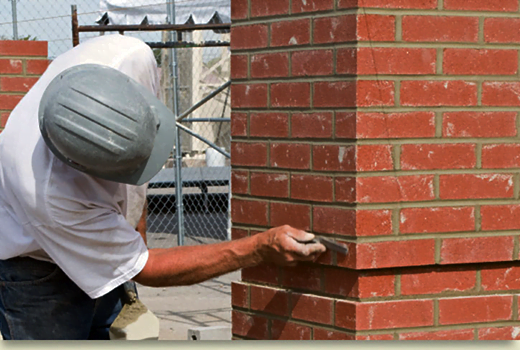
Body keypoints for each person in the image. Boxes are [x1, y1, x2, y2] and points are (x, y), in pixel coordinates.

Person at [0, 34, 326, 340]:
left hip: (83, 230)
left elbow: (134, 179)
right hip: (38, 274)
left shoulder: (128, 57)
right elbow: (147, 268)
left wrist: (134, 232)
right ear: (83, 169)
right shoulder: (49, 197)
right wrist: (257, 248)